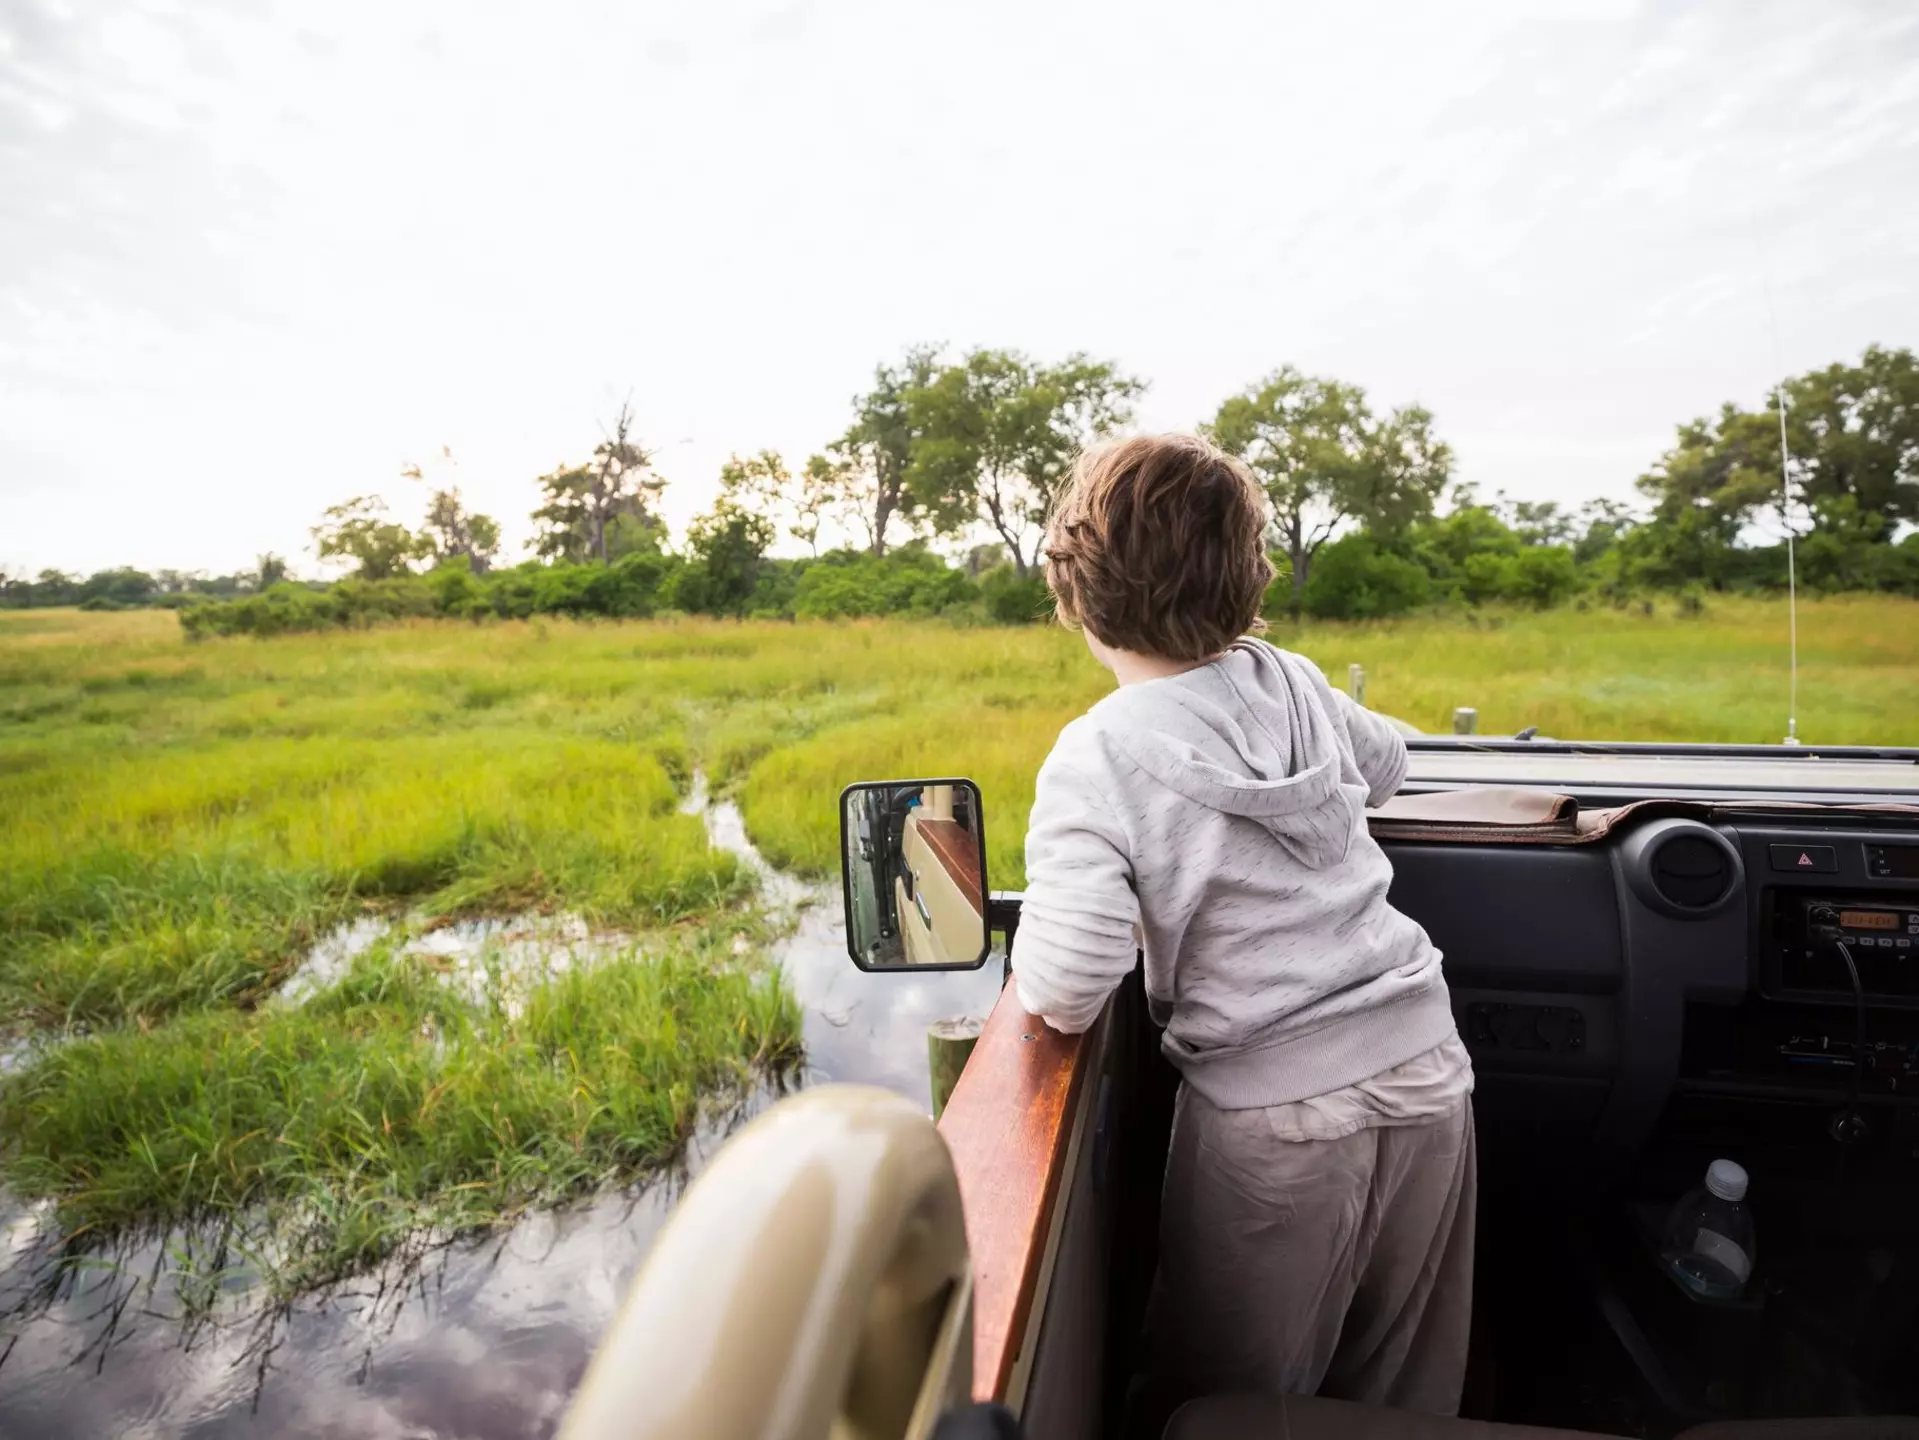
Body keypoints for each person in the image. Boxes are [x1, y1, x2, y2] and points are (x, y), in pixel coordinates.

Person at [1011, 433, 1476, 1423]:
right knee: (1401, 1381)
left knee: (1225, 1398)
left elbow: (1068, 979)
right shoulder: (1294, 679)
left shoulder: (1095, 754)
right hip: (1427, 1065)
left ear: (1075, 592)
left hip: (1278, 1116)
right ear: (1247, 574)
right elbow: (1387, 765)